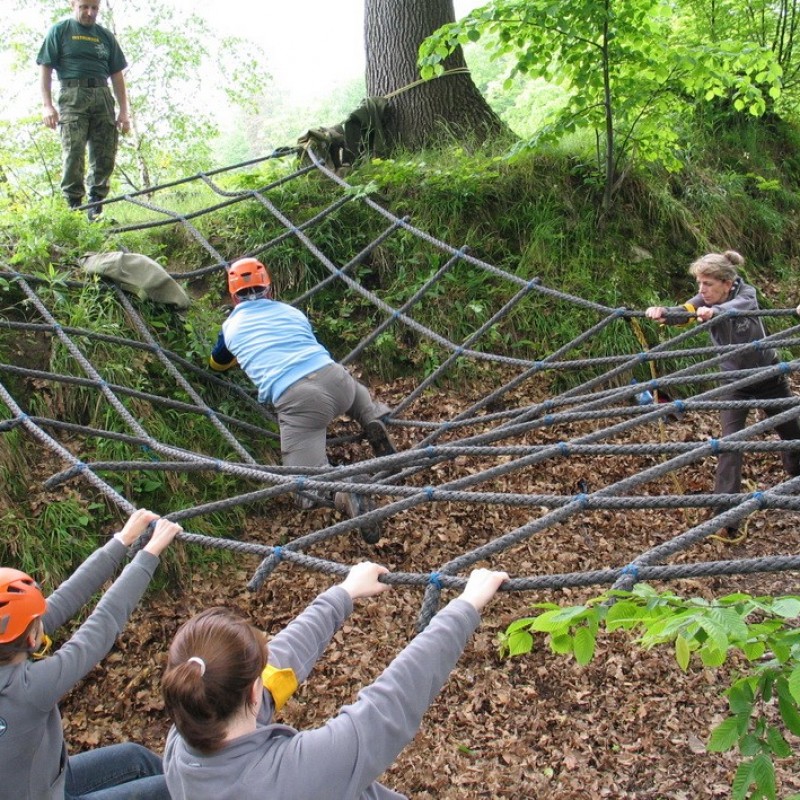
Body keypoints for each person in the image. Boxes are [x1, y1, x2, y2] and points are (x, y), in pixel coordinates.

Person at [161, 563, 508, 800]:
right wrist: (467, 605)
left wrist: (343, 594)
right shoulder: (293, 776)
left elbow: (278, 666)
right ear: (254, 689)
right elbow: (389, 704)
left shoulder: (185, 734)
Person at [0, 508, 182, 800]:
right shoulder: (27, 689)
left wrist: (121, 541)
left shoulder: (9, 652)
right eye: (37, 620)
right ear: (30, 639)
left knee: (135, 760)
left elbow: (64, 599)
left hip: (46, 779)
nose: (43, 619)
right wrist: (149, 554)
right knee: (168, 790)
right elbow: (101, 626)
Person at [209, 257, 396, 539]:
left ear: (234, 296)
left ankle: (343, 492)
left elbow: (217, 364)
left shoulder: (229, 328)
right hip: (336, 377)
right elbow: (309, 341)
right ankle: (371, 416)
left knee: (305, 485)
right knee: (353, 389)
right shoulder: (292, 312)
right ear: (269, 289)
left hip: (300, 400)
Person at [645, 250, 800, 537]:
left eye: (708, 284)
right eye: (700, 284)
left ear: (727, 283)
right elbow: (686, 312)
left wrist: (714, 312)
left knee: (792, 435)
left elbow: (737, 308)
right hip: (734, 384)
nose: (702, 291)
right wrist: (664, 313)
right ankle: (726, 517)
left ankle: (796, 477)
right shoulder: (703, 301)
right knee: (729, 445)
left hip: (768, 376)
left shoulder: (747, 294)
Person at [36, 0, 131, 220]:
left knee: (105, 153)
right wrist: (47, 105)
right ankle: (75, 210)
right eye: (84, 7)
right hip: (72, 96)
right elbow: (45, 68)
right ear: (73, 4)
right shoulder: (60, 31)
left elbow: (117, 75)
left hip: (102, 96)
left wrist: (124, 112)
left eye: (95, 8)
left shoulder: (106, 36)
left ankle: (95, 210)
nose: (90, 13)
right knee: (73, 153)